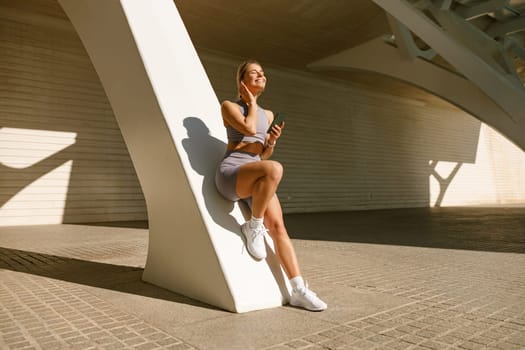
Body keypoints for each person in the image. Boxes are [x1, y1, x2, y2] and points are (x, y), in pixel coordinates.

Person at [215, 59, 327, 311]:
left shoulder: (269, 115)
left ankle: (298, 289)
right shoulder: (229, 106)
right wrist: (251, 103)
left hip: (255, 174)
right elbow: (249, 127)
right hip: (232, 173)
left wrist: (272, 142)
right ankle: (253, 226)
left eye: (262, 73)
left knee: (278, 226)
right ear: (242, 81)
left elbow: (261, 157)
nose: (260, 76)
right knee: (275, 168)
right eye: (253, 73)